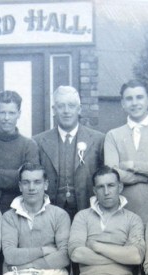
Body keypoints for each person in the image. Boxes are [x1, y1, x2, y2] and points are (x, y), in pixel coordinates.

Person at [0, 163, 71, 275]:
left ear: (45, 185)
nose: (31, 187)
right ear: (20, 186)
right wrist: (44, 250)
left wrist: (29, 263)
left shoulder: (59, 215)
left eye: (37, 182)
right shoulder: (9, 216)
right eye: (26, 182)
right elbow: (10, 256)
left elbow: (63, 257)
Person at [104, 80, 148, 224]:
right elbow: (112, 174)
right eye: (129, 99)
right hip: (123, 211)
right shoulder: (113, 135)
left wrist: (132, 164)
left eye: (139, 97)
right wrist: (144, 177)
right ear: (123, 104)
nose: (134, 103)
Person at [33, 86, 105, 219]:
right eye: (61, 106)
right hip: (50, 214)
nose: (66, 111)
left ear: (79, 109)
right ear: (54, 110)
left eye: (71, 106)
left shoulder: (98, 140)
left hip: (88, 212)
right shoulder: (38, 142)